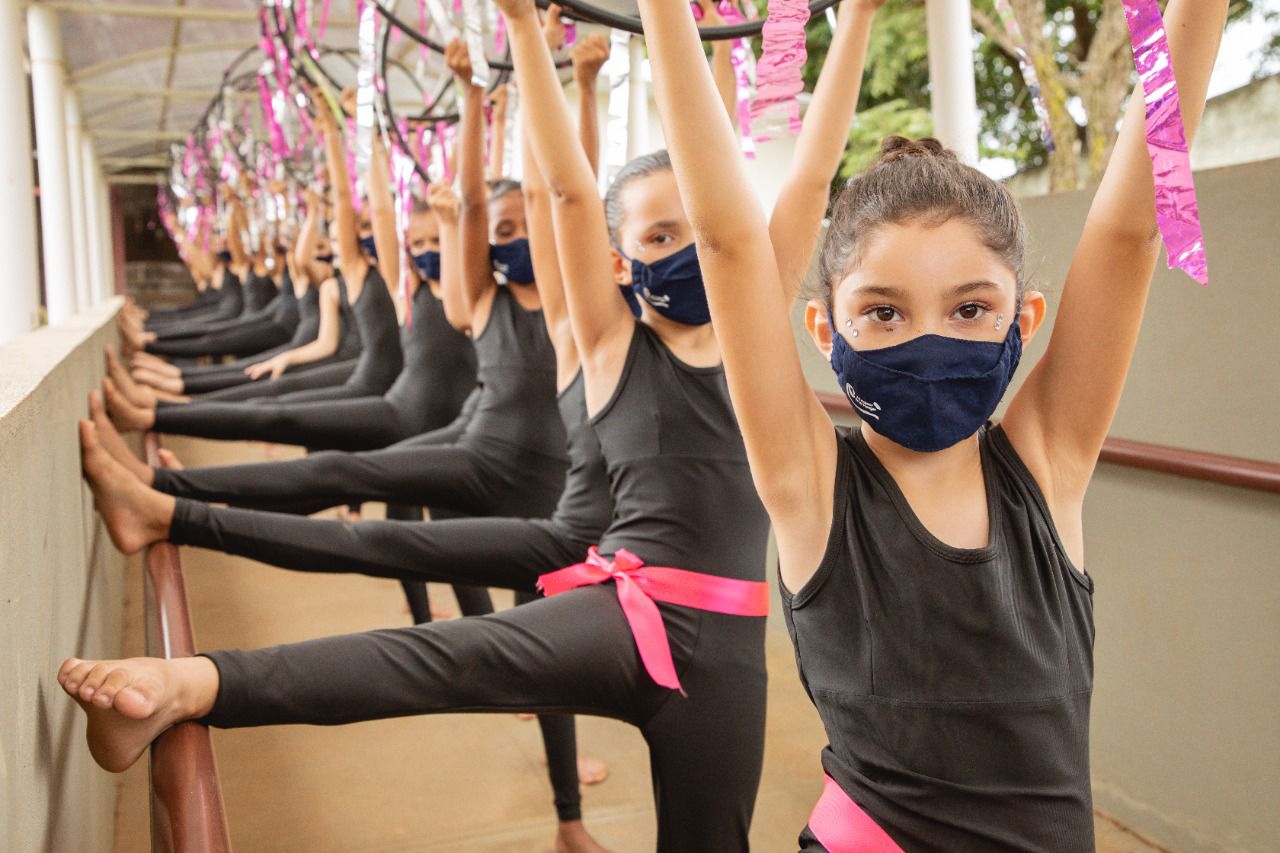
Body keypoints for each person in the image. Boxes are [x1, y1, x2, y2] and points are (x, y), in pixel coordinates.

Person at [58, 2, 882, 848]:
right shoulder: (600, 338)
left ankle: (171, 526)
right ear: (617, 261)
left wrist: (854, 20)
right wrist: (524, 29)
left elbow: (810, 173)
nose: (691, 250)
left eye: (697, 233)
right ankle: (187, 682)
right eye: (659, 235)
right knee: (433, 655)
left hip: (728, 656)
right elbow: (561, 187)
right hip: (616, 607)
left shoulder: (754, 328)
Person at [637, 0, 1228, 847]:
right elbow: (729, 239)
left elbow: (1131, 230)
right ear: (823, 328)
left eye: (969, 309)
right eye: (882, 312)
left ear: (1023, 322)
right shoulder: (810, 486)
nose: (926, 340)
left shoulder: (1047, 459)